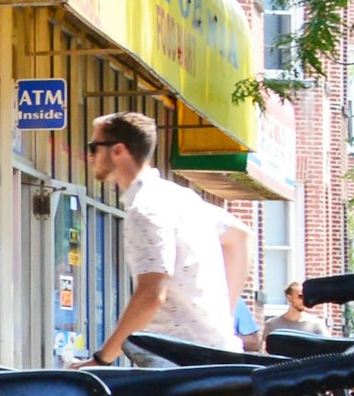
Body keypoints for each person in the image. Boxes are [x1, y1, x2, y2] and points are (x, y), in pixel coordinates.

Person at [79, 110, 253, 363]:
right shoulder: (181, 197)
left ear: (118, 151)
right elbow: (240, 237)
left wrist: (102, 358)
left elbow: (151, 293)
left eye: (94, 147)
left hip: (180, 360)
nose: (90, 155)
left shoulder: (145, 209)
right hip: (217, 351)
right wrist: (223, 315)